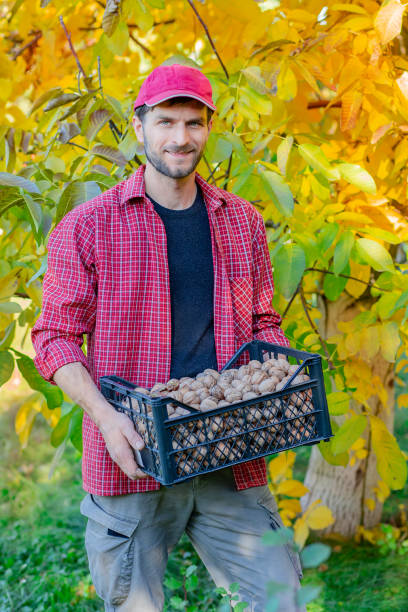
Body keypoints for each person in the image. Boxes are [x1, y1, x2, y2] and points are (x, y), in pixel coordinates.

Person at [31, 63, 304, 611]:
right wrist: (107, 420)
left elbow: (263, 324)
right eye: (165, 122)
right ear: (140, 127)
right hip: (133, 458)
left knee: (281, 599)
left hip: (230, 449)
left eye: (193, 123)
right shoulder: (88, 226)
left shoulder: (242, 221)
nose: (180, 138)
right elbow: (55, 338)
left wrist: (278, 382)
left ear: (209, 127)